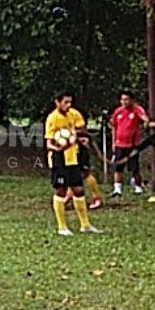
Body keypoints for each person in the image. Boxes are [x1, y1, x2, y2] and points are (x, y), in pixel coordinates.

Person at [45, 91, 100, 236]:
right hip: (59, 160)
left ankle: (85, 225)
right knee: (61, 191)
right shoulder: (52, 119)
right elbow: (48, 144)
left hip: (72, 158)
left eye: (70, 102)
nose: (68, 105)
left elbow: (74, 134)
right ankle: (62, 227)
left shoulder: (71, 115)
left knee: (78, 190)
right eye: (65, 102)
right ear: (57, 102)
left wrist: (80, 140)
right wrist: (58, 148)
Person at [109, 91, 155, 196]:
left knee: (134, 167)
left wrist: (150, 122)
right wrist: (113, 142)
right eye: (122, 99)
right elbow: (114, 127)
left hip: (132, 145)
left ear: (131, 100)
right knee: (118, 167)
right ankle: (117, 189)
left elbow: (143, 116)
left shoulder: (136, 109)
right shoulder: (118, 111)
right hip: (119, 144)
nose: (124, 102)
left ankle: (138, 187)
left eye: (126, 99)